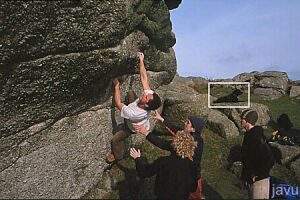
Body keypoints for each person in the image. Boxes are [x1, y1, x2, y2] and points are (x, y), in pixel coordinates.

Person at [134, 111, 205, 199]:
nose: (184, 123)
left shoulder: (164, 162)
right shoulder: (196, 142)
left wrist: (138, 158)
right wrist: (163, 120)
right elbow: (193, 187)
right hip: (183, 189)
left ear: (193, 129)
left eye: (188, 122)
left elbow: (164, 144)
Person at [106, 52, 162, 163]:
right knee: (131, 93)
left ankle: (118, 155)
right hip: (134, 109)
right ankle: (125, 111)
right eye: (147, 94)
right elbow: (144, 78)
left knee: (115, 139)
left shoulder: (135, 114)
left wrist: (116, 86)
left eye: (146, 97)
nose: (145, 93)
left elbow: (118, 103)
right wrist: (141, 60)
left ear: (146, 105)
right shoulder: (147, 100)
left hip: (131, 126)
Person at [130, 130, 198, 200]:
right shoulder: (192, 165)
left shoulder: (163, 161)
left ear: (174, 145)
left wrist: (138, 158)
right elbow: (193, 188)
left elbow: (145, 172)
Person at [240, 109, 275, 199]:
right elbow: (248, 159)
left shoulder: (256, 137)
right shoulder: (249, 135)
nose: (240, 120)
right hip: (251, 179)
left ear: (248, 120)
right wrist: (244, 177)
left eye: (242, 118)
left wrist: (259, 175)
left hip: (259, 182)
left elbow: (269, 158)